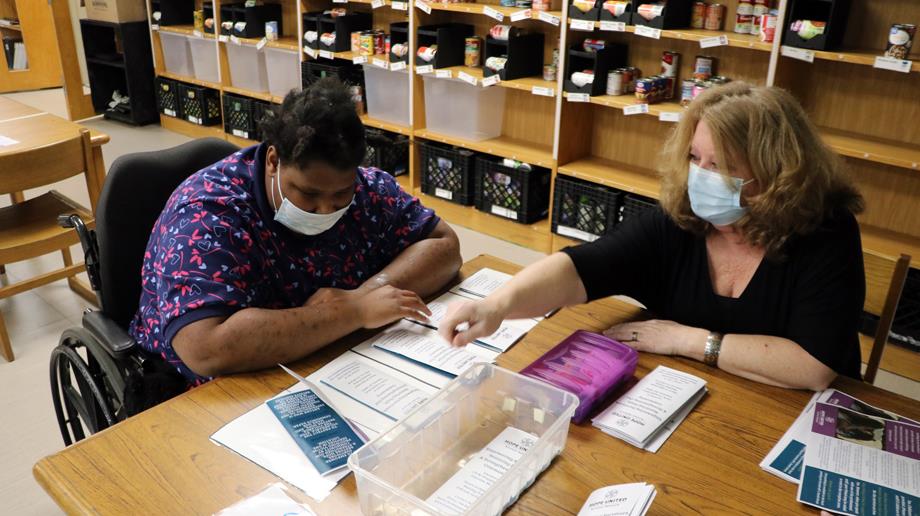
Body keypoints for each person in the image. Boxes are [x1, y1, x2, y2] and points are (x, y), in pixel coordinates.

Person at [439, 83, 865, 391]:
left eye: (723, 165)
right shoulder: (681, 219)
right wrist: (497, 305)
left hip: (781, 410)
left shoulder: (826, 231)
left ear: (778, 173)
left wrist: (685, 339)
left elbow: (812, 366)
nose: (701, 176)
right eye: (696, 158)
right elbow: (582, 268)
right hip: (690, 394)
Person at [130, 78, 462, 386]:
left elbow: (444, 245)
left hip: (327, 358)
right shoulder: (207, 215)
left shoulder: (366, 188)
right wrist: (353, 311)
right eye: (309, 194)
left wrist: (370, 290)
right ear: (274, 160)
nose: (326, 210)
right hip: (210, 388)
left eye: (340, 195)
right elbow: (205, 348)